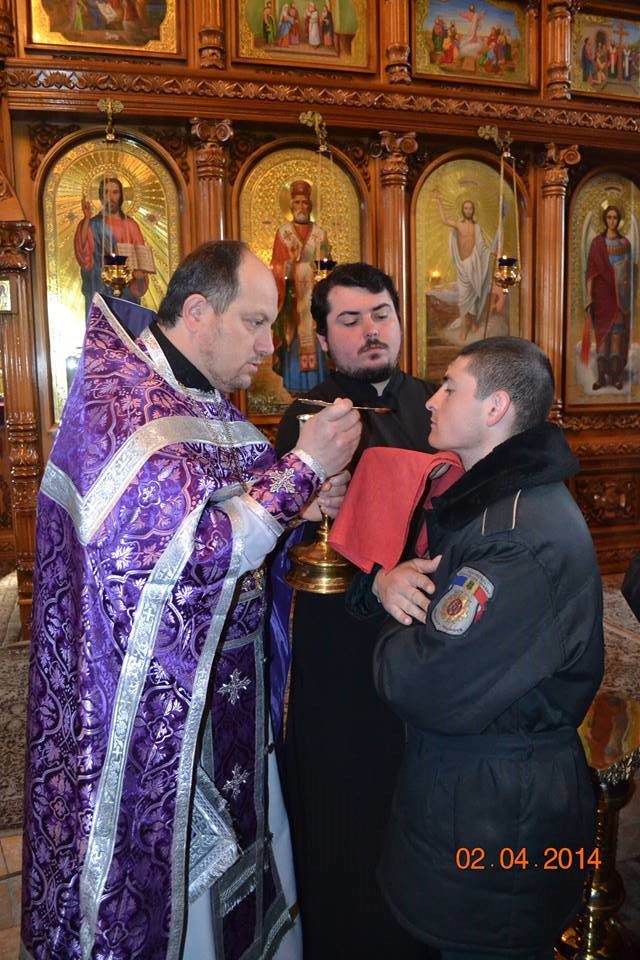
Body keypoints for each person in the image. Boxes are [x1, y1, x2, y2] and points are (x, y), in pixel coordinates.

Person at [21, 240, 362, 960]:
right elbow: (186, 557)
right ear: (200, 311)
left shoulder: (209, 406)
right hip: (154, 716)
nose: (269, 348)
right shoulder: (123, 405)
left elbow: (251, 523)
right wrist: (302, 469)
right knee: (176, 904)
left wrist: (299, 504)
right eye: (257, 323)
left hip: (228, 699)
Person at [369, 336, 603, 958]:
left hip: (501, 823)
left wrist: (396, 623)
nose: (431, 400)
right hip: (480, 797)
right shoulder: (497, 503)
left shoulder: (516, 540)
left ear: (496, 407)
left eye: (450, 387)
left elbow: (425, 683)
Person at [275, 263, 437, 960]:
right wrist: (304, 506)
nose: (371, 331)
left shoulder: (436, 403)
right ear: (321, 338)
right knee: (346, 794)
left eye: (381, 315)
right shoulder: (305, 417)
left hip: (428, 633)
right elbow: (273, 540)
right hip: (340, 644)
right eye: (350, 320)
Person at [270, 179, 330, 392]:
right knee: (292, 338)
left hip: (313, 301)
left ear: (310, 206)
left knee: (315, 337)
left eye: (305, 202)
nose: (301, 207)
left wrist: (320, 272)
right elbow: (276, 266)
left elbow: (327, 265)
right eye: (297, 202)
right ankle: (295, 385)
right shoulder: (283, 233)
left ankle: (319, 385)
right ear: (291, 205)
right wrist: (289, 266)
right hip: (292, 303)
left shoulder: (319, 234)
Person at [74, 175, 149, 318]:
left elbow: (141, 260)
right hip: (99, 288)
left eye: (115, 192)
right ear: (100, 197)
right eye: (106, 192)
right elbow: (84, 254)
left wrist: (139, 276)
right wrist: (87, 219)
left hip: (126, 291)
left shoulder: (131, 225)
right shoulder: (92, 224)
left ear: (121, 196)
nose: (110, 197)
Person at [581, 204, 633, 391]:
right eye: (609, 217)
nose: (612, 221)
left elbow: (628, 275)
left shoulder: (624, 244)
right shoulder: (597, 243)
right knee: (602, 338)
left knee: (617, 337)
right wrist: (588, 296)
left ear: (619, 220)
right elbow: (591, 273)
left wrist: (625, 295)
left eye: (615, 217)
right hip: (601, 297)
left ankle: (616, 376)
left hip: (619, 298)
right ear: (604, 219)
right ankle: (602, 377)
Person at [435, 195, 497, 338]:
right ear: (462, 210)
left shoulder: (476, 227)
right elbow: (444, 220)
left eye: (470, 208)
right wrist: (439, 201)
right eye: (466, 208)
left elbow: (481, 246)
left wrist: (490, 252)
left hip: (474, 265)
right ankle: (464, 327)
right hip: (463, 266)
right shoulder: (459, 224)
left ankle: (473, 322)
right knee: (464, 298)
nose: (468, 210)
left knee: (474, 296)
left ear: (473, 210)